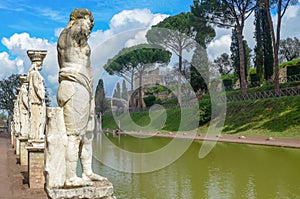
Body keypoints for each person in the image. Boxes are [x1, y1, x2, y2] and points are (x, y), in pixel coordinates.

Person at [57, 8, 106, 187]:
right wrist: (82, 21)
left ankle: (87, 172)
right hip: (73, 86)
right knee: (74, 134)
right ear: (78, 19)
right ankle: (70, 177)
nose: (91, 27)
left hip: (86, 88)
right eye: (89, 22)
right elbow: (79, 29)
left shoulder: (81, 41)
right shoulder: (67, 36)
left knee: (88, 135)